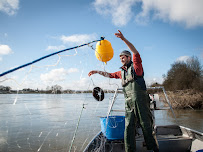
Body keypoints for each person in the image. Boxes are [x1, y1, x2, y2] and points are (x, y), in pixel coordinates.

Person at [88, 30, 159, 152]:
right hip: (128, 103)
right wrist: (96, 71)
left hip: (141, 102)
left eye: (123, 57)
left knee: (146, 125)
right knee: (128, 128)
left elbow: (135, 51)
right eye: (120, 57)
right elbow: (109, 75)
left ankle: (153, 149)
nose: (121, 59)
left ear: (129, 58)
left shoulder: (137, 67)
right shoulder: (120, 73)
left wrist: (123, 39)